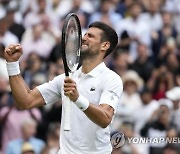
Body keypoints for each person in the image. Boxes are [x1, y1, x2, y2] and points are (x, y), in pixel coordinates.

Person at [3, 21, 123, 154]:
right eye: (85, 34)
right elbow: (25, 101)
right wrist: (12, 64)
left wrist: (78, 99)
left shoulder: (111, 79)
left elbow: (105, 118)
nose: (83, 38)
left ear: (105, 45)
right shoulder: (66, 78)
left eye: (91, 36)